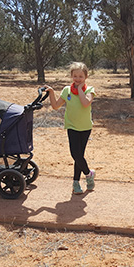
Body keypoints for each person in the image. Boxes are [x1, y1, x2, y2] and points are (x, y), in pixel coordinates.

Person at [45, 62, 96, 195]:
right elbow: (56, 105)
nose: (77, 79)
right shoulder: (66, 90)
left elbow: (85, 103)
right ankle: (88, 175)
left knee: (79, 156)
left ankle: (76, 183)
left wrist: (79, 89)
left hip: (85, 127)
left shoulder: (90, 90)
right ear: (71, 76)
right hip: (72, 126)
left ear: (86, 76)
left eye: (80, 76)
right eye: (75, 76)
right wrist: (51, 92)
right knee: (76, 154)